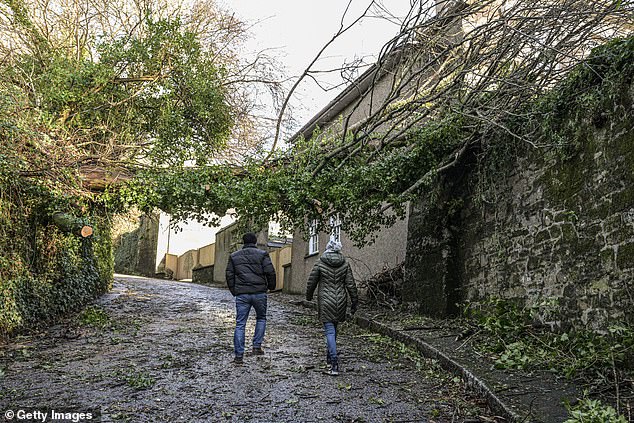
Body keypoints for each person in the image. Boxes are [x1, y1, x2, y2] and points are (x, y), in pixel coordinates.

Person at [306, 239, 358, 376]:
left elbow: (312, 282)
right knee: (334, 330)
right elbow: (351, 285)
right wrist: (354, 302)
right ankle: (329, 358)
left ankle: (334, 364)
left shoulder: (320, 262)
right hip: (340, 300)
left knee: (329, 331)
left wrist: (309, 296)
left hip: (325, 301)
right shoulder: (345, 263)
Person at [226, 232, 277, 364]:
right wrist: (271, 287)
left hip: (242, 294)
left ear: (243, 242)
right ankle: (256, 347)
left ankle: (238, 356)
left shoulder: (234, 256)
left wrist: (234, 291)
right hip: (259, 292)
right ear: (255, 242)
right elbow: (270, 272)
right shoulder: (262, 254)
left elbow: (229, 275)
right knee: (261, 318)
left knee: (240, 324)